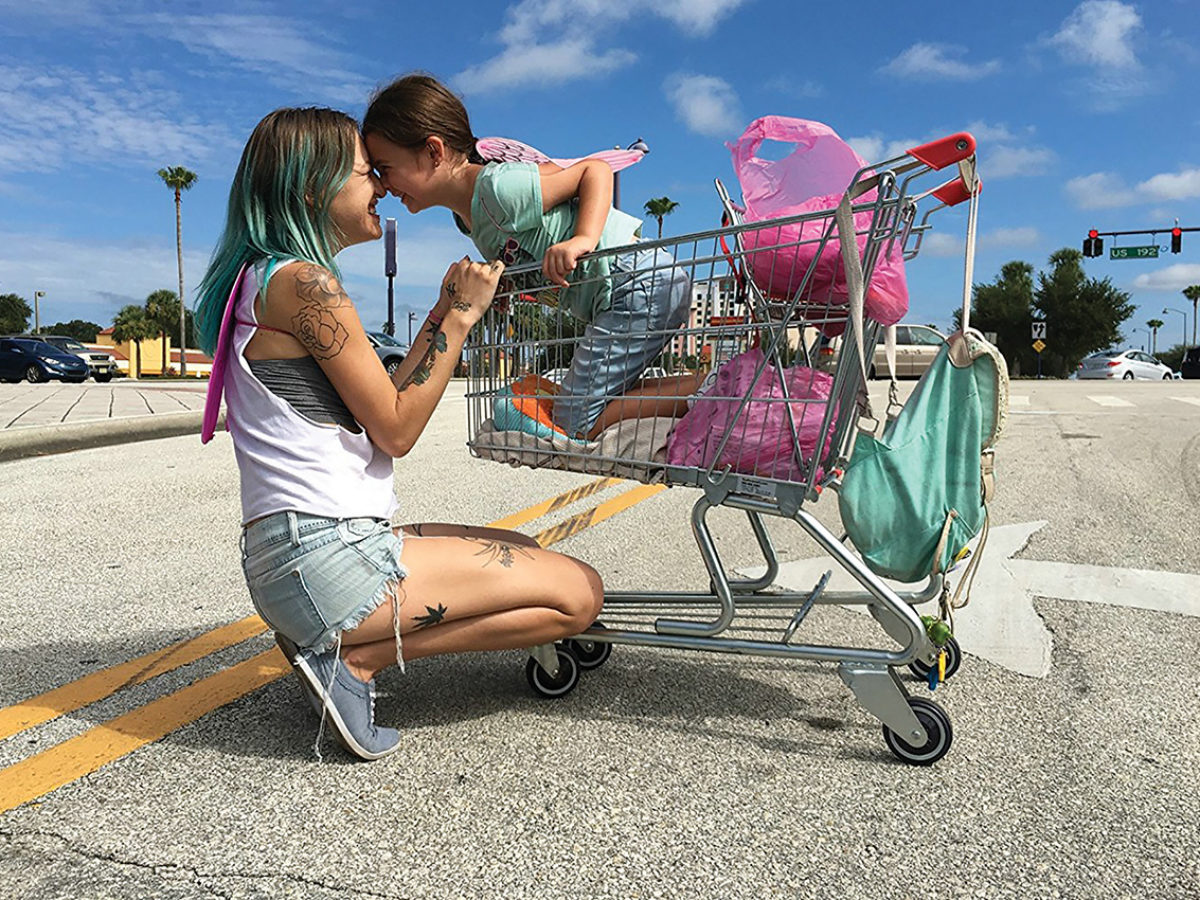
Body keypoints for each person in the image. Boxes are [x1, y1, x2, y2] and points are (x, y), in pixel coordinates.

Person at [195, 107, 604, 761]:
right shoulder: (303, 283)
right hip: (327, 559)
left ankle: (329, 638)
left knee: (520, 545)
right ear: (312, 187)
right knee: (578, 595)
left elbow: (377, 404)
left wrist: (443, 310)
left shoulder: (266, 278)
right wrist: (465, 318)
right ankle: (350, 658)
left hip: (302, 556)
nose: (381, 188)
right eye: (366, 173)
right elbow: (396, 429)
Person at [362, 73, 693, 441]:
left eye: (386, 167)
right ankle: (715, 387)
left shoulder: (498, 188)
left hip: (634, 283)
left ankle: (714, 388)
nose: (383, 185)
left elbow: (594, 170)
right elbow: (528, 248)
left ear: (433, 152)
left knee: (577, 417)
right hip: (626, 290)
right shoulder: (467, 218)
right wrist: (509, 287)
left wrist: (582, 238)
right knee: (586, 405)